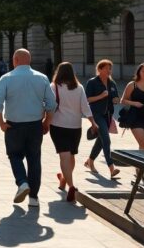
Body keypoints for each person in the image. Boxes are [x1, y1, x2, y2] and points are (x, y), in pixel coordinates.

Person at [0, 49, 56, 207]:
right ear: (29, 60)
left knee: (14, 155)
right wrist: (46, 122)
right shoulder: (42, 78)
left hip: (13, 125)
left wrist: (1, 123)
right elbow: (52, 104)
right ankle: (34, 197)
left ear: (15, 60)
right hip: (35, 125)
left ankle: (22, 182)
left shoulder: (6, 78)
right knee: (34, 159)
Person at [49, 62, 98, 202]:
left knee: (63, 156)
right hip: (75, 127)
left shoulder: (53, 87)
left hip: (58, 126)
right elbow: (85, 107)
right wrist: (93, 123)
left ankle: (71, 186)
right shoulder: (79, 87)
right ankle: (64, 179)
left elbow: (50, 106)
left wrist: (45, 121)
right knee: (71, 155)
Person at [83, 59, 121, 178]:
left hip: (108, 115)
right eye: (106, 68)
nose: (109, 71)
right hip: (96, 115)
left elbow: (115, 97)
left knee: (101, 141)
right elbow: (87, 100)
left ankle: (90, 161)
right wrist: (101, 96)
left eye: (110, 68)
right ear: (99, 69)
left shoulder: (112, 83)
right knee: (106, 139)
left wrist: (116, 100)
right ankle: (111, 168)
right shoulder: (92, 82)